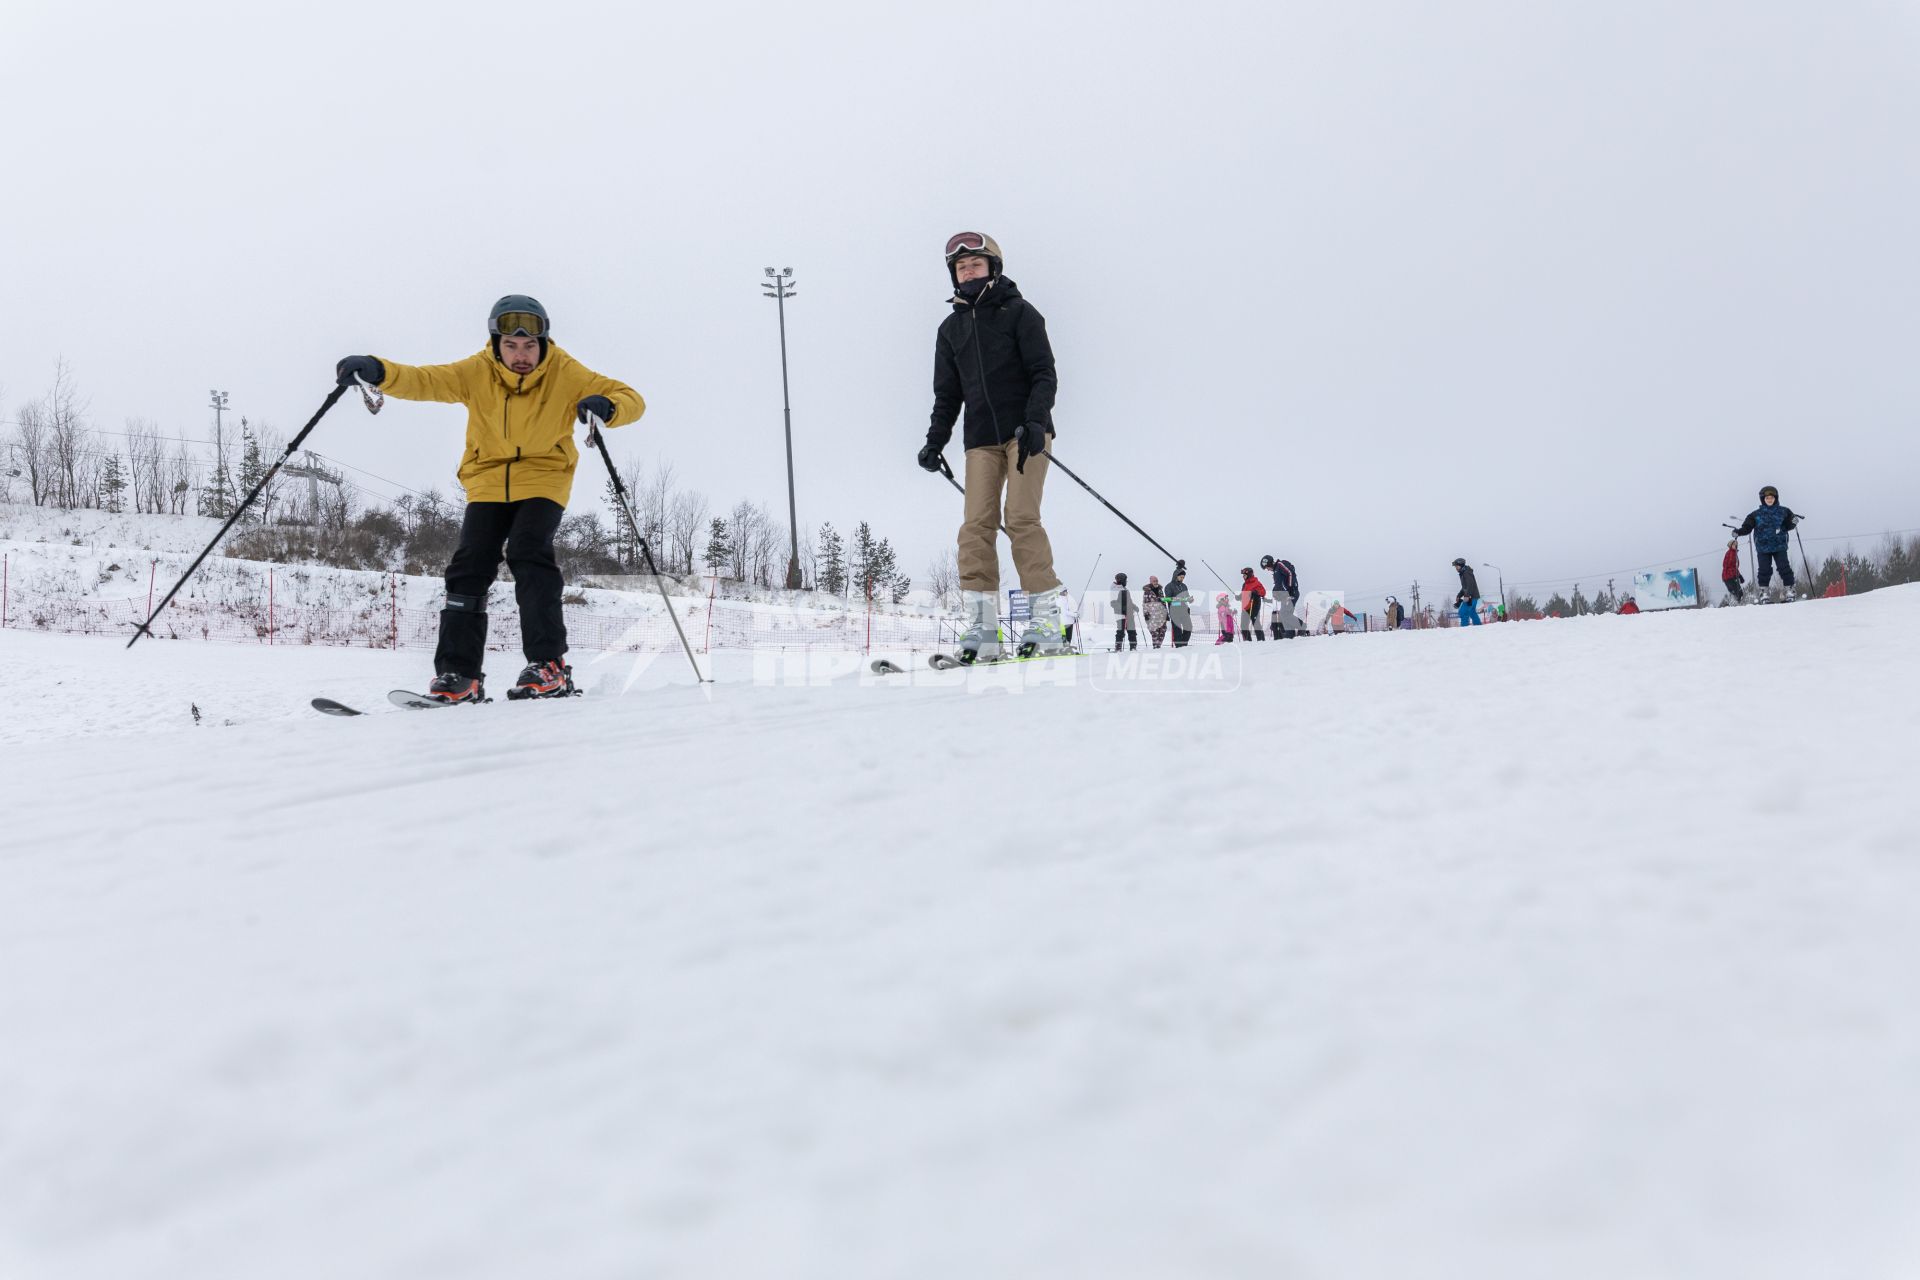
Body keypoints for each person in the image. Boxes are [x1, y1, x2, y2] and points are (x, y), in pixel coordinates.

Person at [335, 295, 643, 703]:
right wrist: (379, 371)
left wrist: (608, 406)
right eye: (512, 346)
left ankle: (548, 665)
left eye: (530, 346)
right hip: (486, 479)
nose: (521, 356)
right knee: (469, 564)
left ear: (544, 344)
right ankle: (459, 675)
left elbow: (632, 398)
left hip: (544, 477)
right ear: (496, 343)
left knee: (528, 550)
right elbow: (425, 379)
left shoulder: (566, 372)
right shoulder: (476, 372)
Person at [917, 232, 1064, 661]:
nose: (968, 271)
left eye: (975, 265)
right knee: (975, 528)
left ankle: (1047, 624)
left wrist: (1036, 421)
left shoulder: (1020, 313)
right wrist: (934, 441)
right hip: (979, 440)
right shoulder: (950, 329)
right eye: (961, 267)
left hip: (1026, 433)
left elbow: (1043, 373)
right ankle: (983, 633)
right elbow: (947, 397)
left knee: (1020, 519)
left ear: (992, 268)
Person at [1732, 486, 1801, 600]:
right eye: (1767, 498)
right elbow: (1747, 527)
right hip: (1763, 547)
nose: (1769, 500)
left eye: (1772, 497)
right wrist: (1738, 532)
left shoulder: (1784, 511)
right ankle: (1764, 592)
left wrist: (1793, 523)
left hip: (1780, 545)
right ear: (1763, 499)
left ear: (1776, 498)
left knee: (1784, 567)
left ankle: (1790, 590)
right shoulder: (1755, 515)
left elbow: (1789, 525)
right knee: (1764, 570)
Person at [1164, 568, 1193, 646]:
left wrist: (1190, 599)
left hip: (1184, 610)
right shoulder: (1169, 586)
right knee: (1177, 630)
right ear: (1176, 576)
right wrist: (1179, 600)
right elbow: (1168, 599)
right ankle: (1179, 646)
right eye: (1181, 577)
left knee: (1189, 627)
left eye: (1183, 577)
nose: (1182, 579)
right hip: (1174, 611)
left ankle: (1183, 644)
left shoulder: (1184, 586)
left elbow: (1187, 597)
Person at [1451, 557, 1482, 626]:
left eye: (1456, 566)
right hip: (1473, 596)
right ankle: (1479, 627)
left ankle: (1464, 630)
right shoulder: (1463, 573)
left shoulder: (1466, 573)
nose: (1456, 568)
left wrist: (1467, 596)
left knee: (1463, 612)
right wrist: (1459, 595)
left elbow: (1470, 585)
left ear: (1461, 565)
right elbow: (1465, 587)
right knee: (1472, 612)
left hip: (1471, 596)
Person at [1238, 567, 1267, 641]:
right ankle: (1248, 642)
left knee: (1255, 622)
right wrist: (1239, 596)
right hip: (1246, 606)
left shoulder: (1256, 582)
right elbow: (1244, 594)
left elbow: (1263, 592)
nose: (1243, 577)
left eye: (1244, 575)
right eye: (1243, 575)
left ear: (1249, 575)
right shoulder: (1244, 584)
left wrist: (1256, 592)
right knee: (1243, 625)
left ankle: (1261, 640)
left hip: (1254, 604)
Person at [1111, 572, 1138, 650]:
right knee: (1120, 630)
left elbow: (1129, 601)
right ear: (1121, 580)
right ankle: (1118, 648)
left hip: (1129, 613)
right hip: (1120, 614)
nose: (1126, 582)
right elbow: (1113, 603)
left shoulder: (1125, 589)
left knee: (1132, 630)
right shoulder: (1115, 590)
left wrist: (1134, 606)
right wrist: (1122, 609)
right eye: (1125, 580)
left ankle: (1133, 647)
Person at [1142, 577, 1169, 648]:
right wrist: (1146, 614)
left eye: (1157, 580)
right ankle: (1155, 647)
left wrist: (1166, 614)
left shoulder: (1160, 590)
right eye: (1154, 581)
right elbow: (1145, 604)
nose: (1156, 582)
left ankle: (1158, 646)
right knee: (1154, 632)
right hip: (1152, 615)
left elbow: (1164, 602)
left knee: (1162, 631)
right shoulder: (1147, 591)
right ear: (1151, 582)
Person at [1721, 538, 1746, 604]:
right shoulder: (1731, 553)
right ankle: (1735, 604)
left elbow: (1735, 567)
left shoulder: (1733, 553)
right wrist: (1737, 576)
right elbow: (1730, 565)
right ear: (1730, 546)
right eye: (1734, 544)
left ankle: (1736, 604)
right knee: (1738, 593)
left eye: (1736, 544)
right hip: (1729, 576)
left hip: (1730, 576)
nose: (1736, 545)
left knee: (1738, 593)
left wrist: (1739, 576)